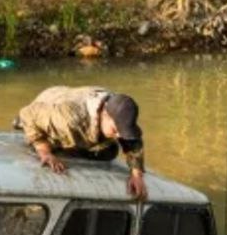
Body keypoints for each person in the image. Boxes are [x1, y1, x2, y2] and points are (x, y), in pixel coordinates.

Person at [14, 84, 148, 200]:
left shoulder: (119, 109)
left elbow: (133, 140)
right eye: (115, 129)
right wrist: (44, 151)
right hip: (46, 108)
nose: (119, 135)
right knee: (55, 144)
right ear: (104, 115)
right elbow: (27, 114)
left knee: (109, 152)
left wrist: (136, 175)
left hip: (81, 112)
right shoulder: (68, 118)